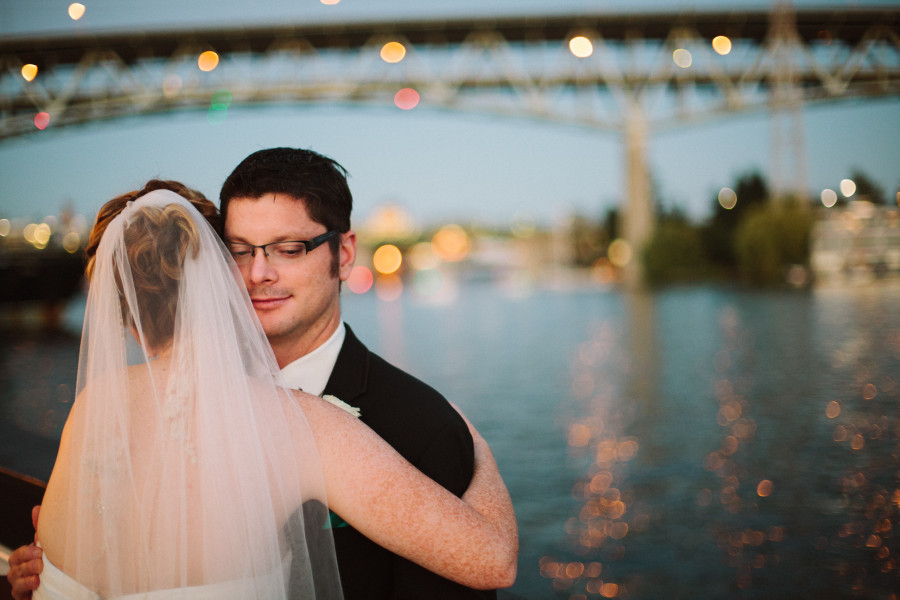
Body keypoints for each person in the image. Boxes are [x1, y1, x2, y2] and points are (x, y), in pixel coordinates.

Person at [9, 149, 512, 599]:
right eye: (241, 252)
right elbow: (494, 558)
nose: (258, 274)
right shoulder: (302, 426)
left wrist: (56, 570)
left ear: (345, 253)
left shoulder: (93, 408)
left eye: (288, 249)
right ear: (217, 272)